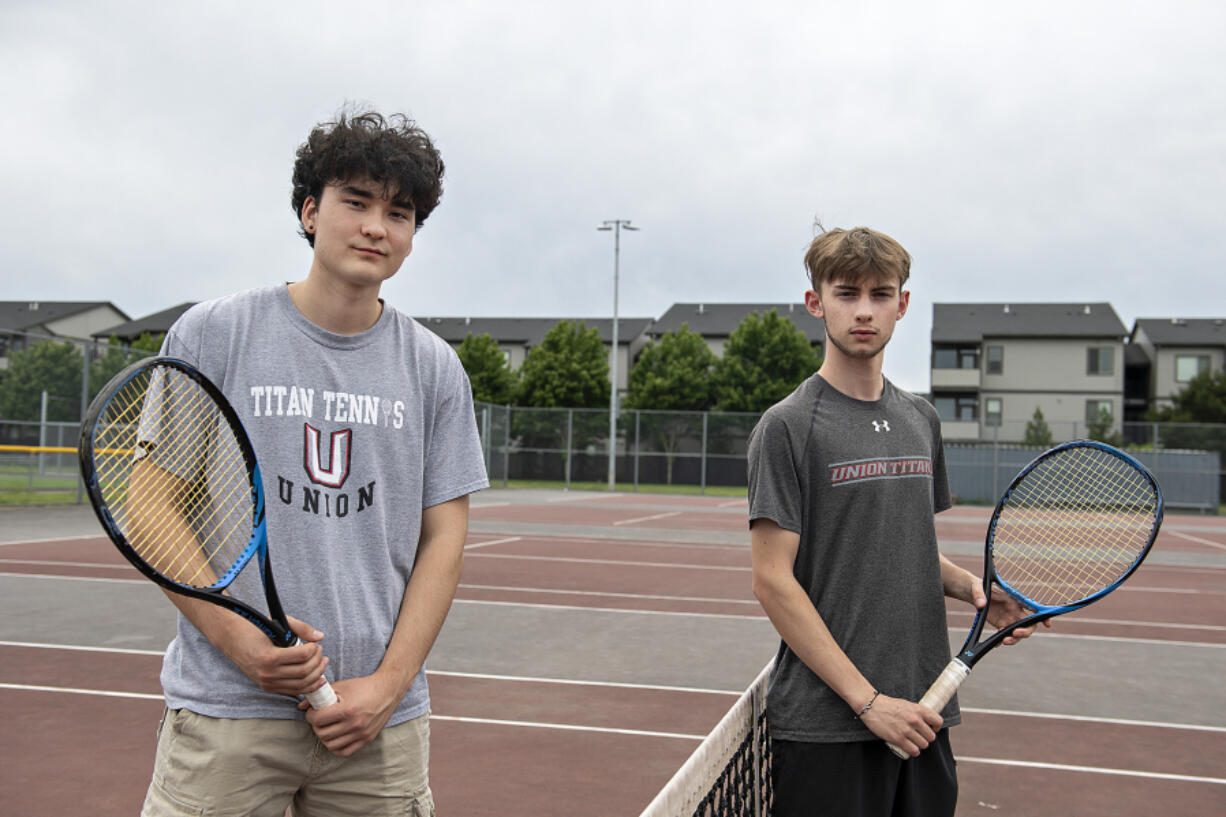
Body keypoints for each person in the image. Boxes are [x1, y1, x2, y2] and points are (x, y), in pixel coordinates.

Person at [141, 110, 488, 816]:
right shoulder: (214, 333)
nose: (376, 227)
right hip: (226, 715)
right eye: (355, 202)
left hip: (376, 728)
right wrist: (243, 645)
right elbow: (151, 508)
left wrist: (387, 685)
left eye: (399, 212)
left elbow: (443, 539)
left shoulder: (434, 369)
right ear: (309, 211)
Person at [747, 226, 1040, 817]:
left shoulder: (919, 419)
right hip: (830, 726)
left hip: (924, 713)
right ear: (816, 303)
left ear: (902, 305)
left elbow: (899, 544)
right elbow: (773, 580)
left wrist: (974, 589)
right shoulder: (787, 426)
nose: (863, 310)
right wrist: (868, 702)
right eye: (846, 293)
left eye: (880, 295)